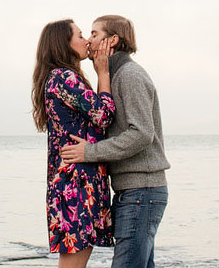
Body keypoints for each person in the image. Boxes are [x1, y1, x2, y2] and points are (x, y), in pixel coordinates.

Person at [60, 15, 169, 268]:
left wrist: (90, 152)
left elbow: (142, 134)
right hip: (132, 192)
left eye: (94, 34)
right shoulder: (112, 76)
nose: (89, 40)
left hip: (142, 191)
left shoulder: (129, 75)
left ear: (113, 40)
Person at [32, 19, 116, 268]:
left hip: (75, 182)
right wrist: (104, 73)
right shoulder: (64, 78)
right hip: (76, 185)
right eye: (80, 36)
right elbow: (103, 115)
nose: (86, 41)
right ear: (64, 44)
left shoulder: (60, 77)